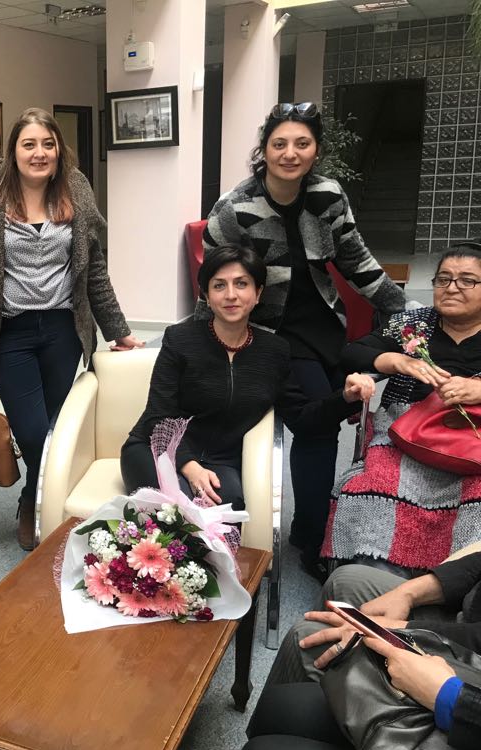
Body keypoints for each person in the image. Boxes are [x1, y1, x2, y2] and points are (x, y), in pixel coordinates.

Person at [203, 101, 406, 578]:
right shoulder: (236, 206)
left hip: (326, 324)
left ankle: (341, 522)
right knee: (318, 424)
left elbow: (356, 260)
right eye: (279, 144)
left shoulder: (327, 195)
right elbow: (212, 279)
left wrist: (407, 310)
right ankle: (313, 538)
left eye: (302, 143)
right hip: (269, 333)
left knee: (374, 386)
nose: (290, 153)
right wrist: (202, 343)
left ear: (316, 150)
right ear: (265, 149)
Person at [0, 106, 143, 550]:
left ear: (59, 150)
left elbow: (94, 271)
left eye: (48, 144)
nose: (39, 153)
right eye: (29, 145)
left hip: (63, 329)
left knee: (60, 428)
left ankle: (35, 499)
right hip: (10, 333)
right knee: (34, 432)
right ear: (13, 151)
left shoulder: (76, 190)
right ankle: (43, 501)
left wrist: (118, 331)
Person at [121, 244, 375, 506]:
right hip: (158, 449)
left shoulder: (274, 351)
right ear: (207, 295)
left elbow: (301, 418)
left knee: (230, 510)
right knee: (174, 509)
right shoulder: (180, 339)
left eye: (241, 284)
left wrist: (345, 397)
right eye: (219, 285)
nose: (231, 295)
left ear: (258, 293)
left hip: (221, 461)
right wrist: (190, 466)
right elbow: (158, 414)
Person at [326, 242, 481, 574]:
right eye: (443, 279)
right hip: (405, 434)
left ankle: (456, 581)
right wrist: (398, 361)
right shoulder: (414, 324)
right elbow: (352, 353)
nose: (452, 287)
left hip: (474, 443)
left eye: (467, 280)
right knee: (373, 485)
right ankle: (374, 573)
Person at [238, 556, 481, 750]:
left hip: (463, 708)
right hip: (467, 661)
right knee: (277, 706)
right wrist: (408, 593)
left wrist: (449, 697)